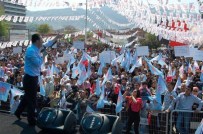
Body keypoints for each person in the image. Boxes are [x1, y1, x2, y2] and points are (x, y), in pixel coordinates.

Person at [14, 33, 62, 126]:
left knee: (27, 97)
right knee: (32, 99)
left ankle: (18, 112)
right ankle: (31, 120)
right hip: (30, 79)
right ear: (37, 41)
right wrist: (44, 55)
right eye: (41, 39)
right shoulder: (31, 51)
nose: (42, 41)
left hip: (33, 77)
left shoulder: (36, 48)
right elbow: (38, 63)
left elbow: (47, 44)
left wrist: (56, 38)